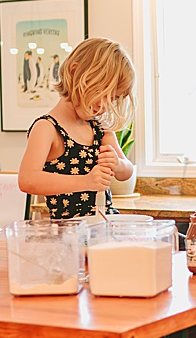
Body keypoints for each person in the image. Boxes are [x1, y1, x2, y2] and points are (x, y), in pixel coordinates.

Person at [17, 37, 135, 218]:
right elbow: (27, 180)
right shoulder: (47, 129)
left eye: (112, 99)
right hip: (68, 235)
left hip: (104, 227)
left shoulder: (100, 130)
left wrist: (118, 164)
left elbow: (126, 172)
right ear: (74, 73)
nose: (104, 106)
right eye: (101, 93)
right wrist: (86, 181)